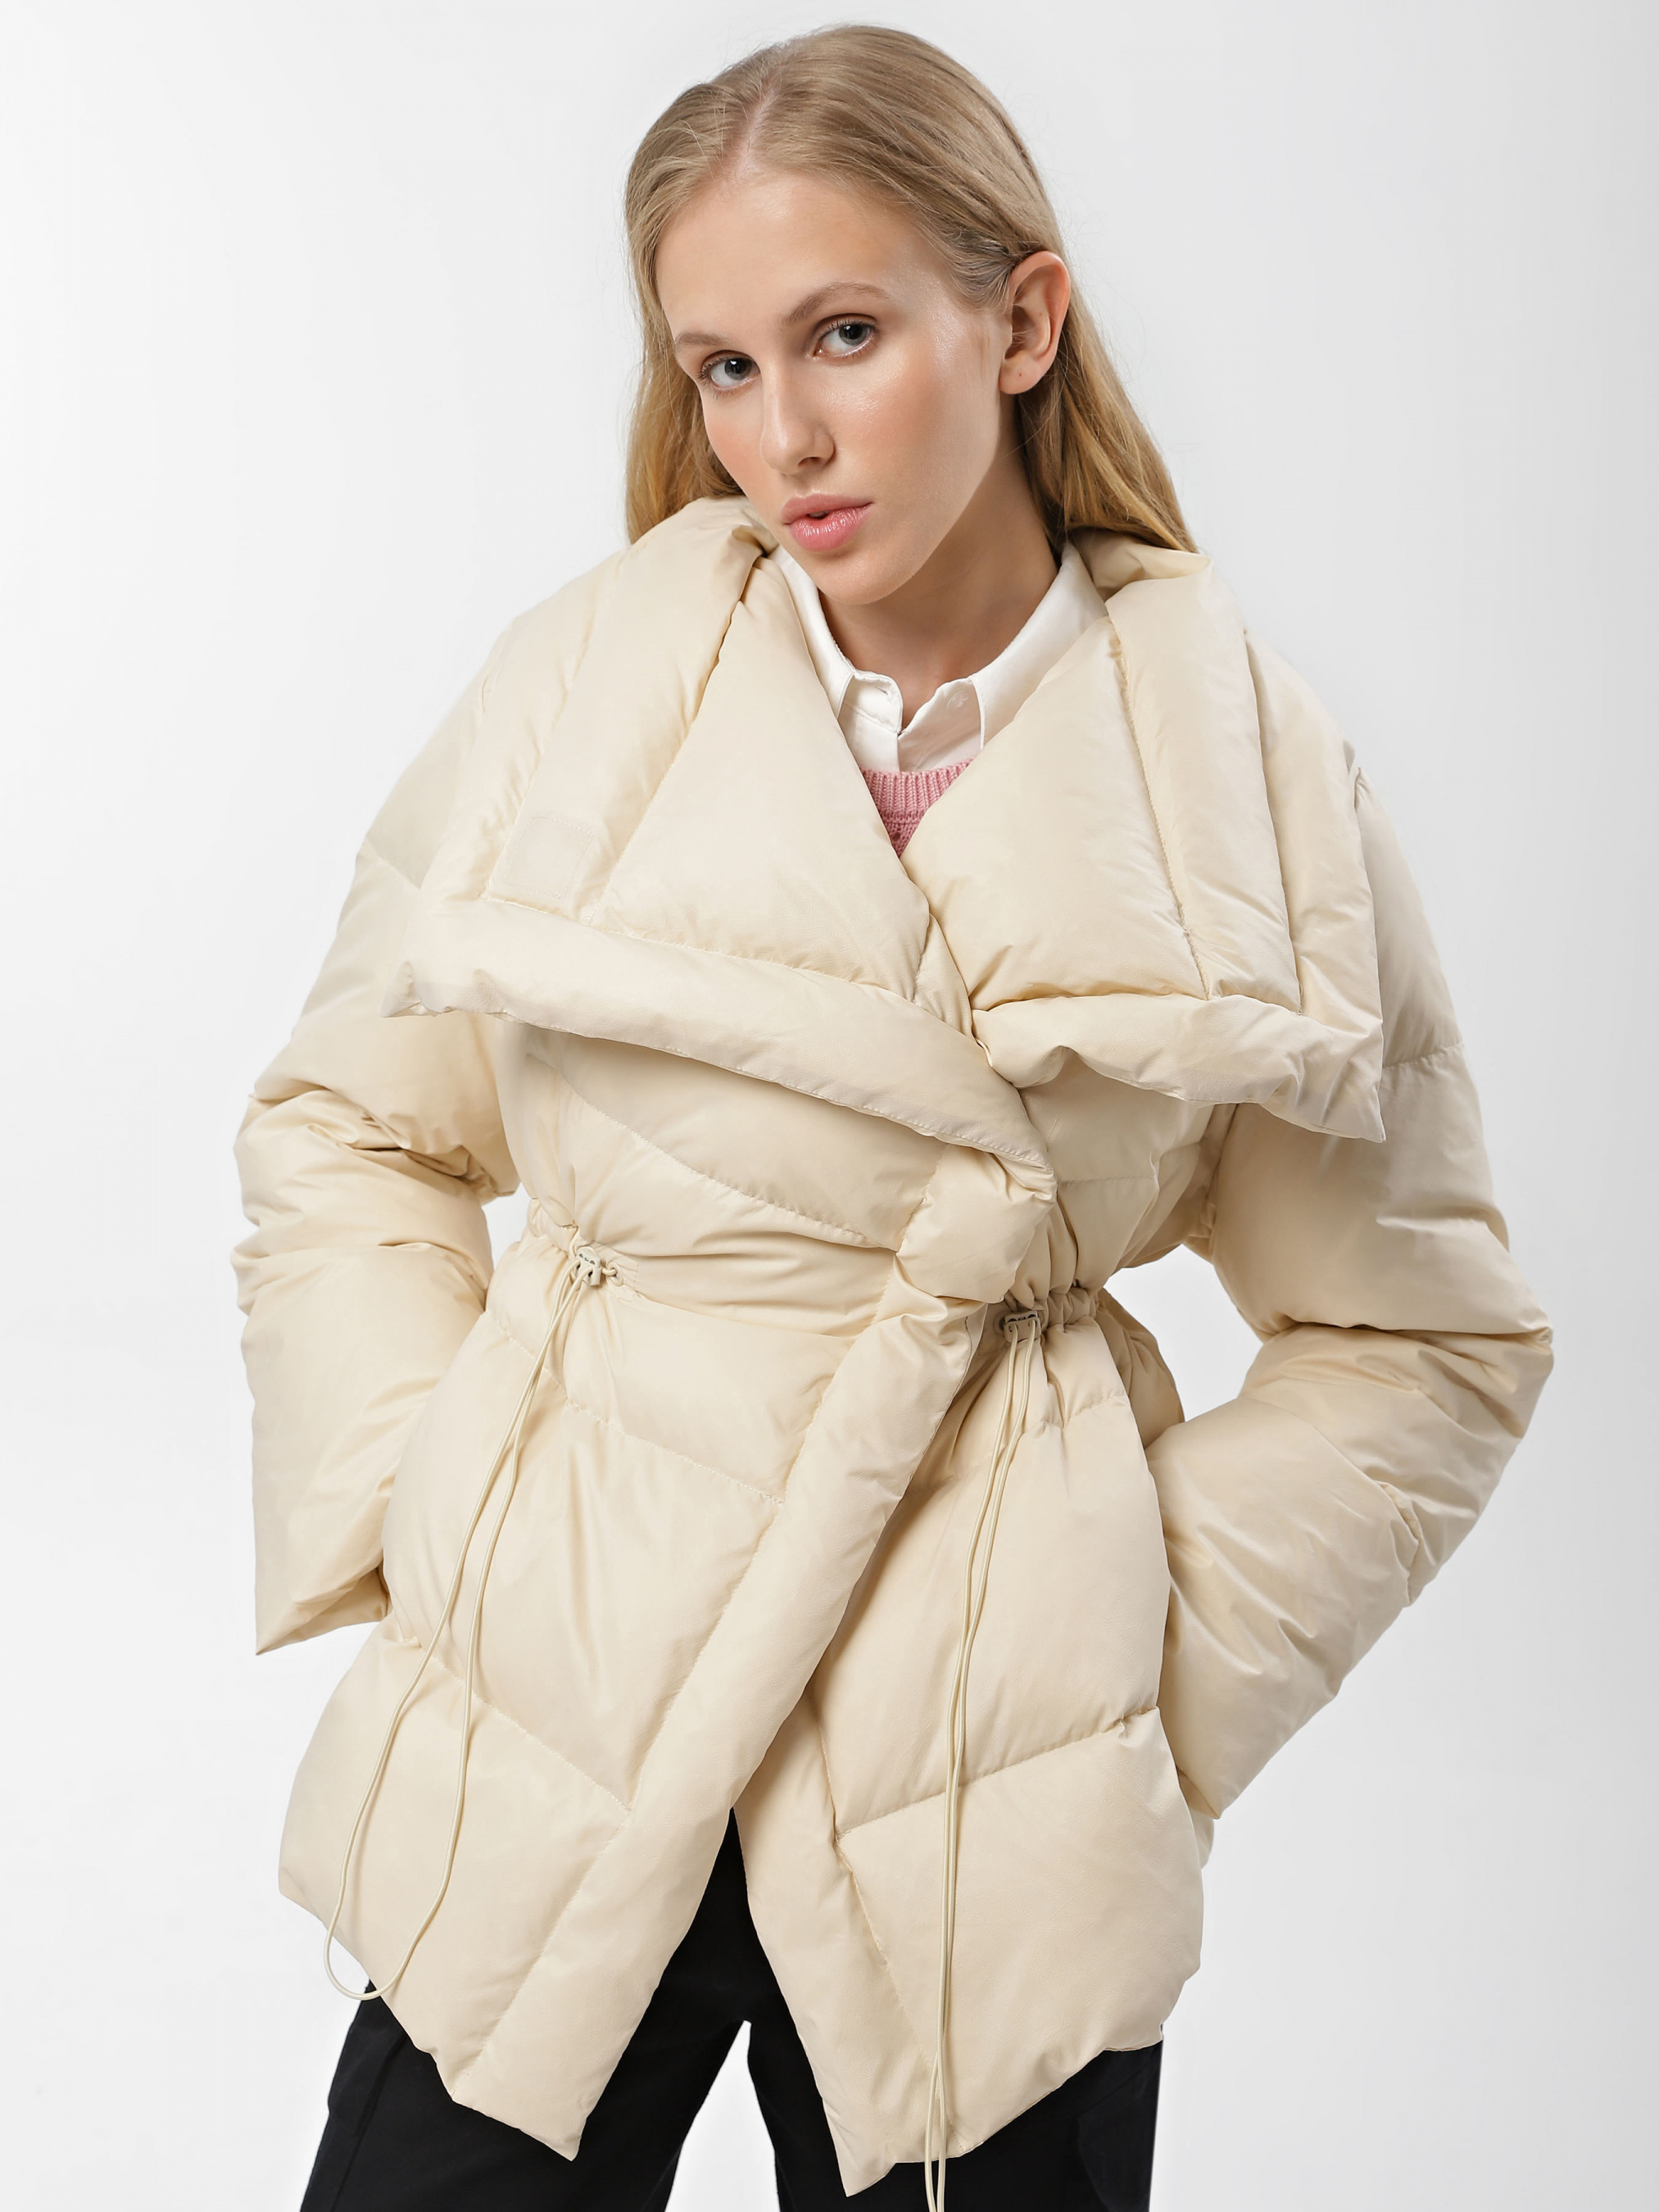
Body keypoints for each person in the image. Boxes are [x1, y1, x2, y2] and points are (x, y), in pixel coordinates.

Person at [233, 26, 1552, 2211]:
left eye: (843, 334)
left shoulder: (1238, 771)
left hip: (978, 1785)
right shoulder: (586, 687)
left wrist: (1119, 1668)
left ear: (1021, 322)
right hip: (572, 1692)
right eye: (723, 366)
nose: (784, 435)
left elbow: (1423, 1333)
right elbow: (351, 1127)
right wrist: (446, 1509)